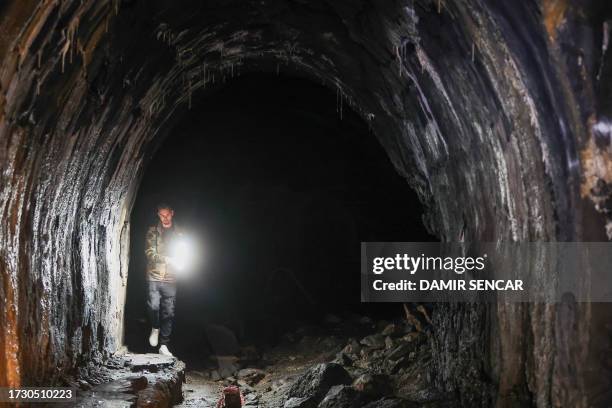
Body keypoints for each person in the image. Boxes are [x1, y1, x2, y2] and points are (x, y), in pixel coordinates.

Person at [145, 203, 182, 357]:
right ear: (158, 214)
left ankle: (164, 345)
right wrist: (168, 259)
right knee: (154, 306)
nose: (164, 218)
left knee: (169, 312)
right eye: (161, 215)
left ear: (172, 213)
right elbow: (149, 253)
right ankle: (155, 327)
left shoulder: (180, 233)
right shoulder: (153, 231)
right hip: (154, 275)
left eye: (167, 214)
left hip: (171, 277)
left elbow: (185, 251)